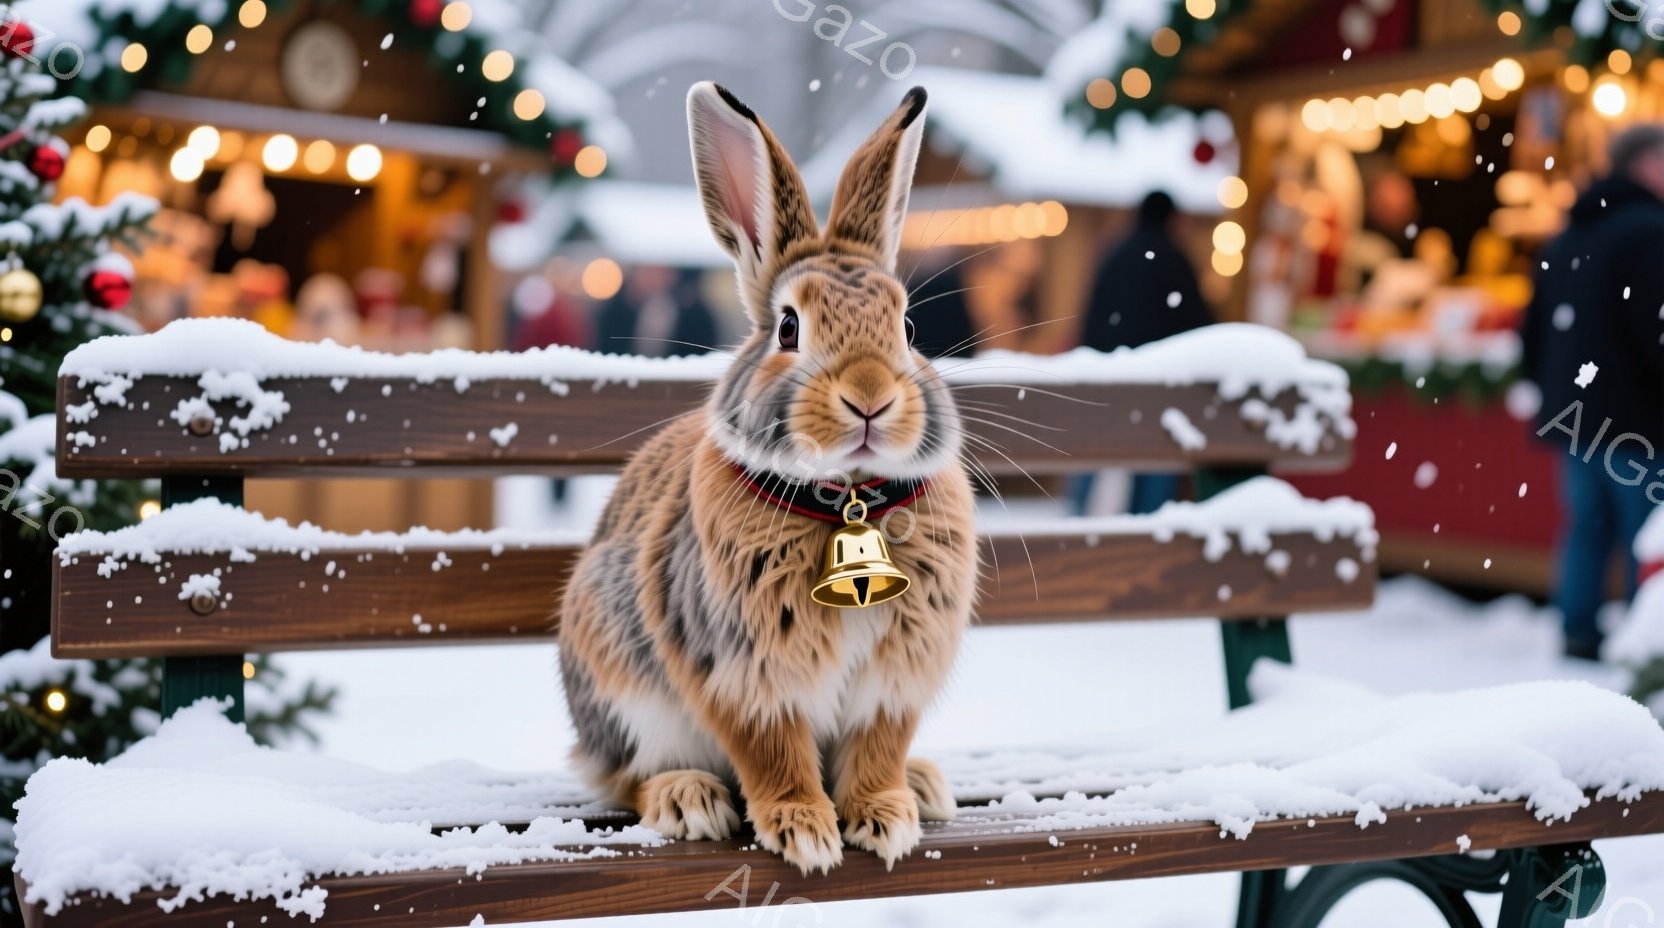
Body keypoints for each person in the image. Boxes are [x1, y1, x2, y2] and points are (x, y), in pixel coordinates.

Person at [1521, 123, 1664, 661]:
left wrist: (1552, 395)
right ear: (1646, 163)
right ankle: (1644, 650)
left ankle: (1578, 631)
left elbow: (1532, 332)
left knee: (1587, 528)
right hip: (1637, 415)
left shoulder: (1568, 235)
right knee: (1646, 534)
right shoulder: (1650, 231)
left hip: (1576, 416)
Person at [1073, 191, 1214, 515]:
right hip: (1159, 384)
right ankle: (1146, 522)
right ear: (1172, 218)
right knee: (1153, 460)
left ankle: (1074, 515)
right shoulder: (1175, 260)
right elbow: (1198, 323)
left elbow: (1093, 316)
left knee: (1090, 450)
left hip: (1107, 375)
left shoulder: (1115, 254)